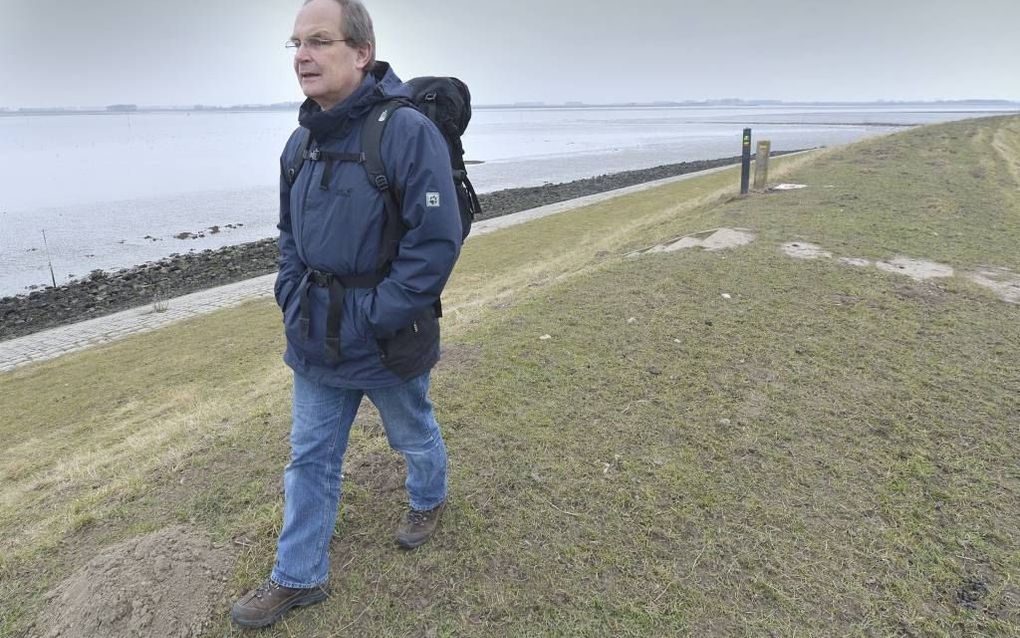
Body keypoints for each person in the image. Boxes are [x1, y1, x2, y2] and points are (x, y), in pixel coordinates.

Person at [231, 0, 462, 628]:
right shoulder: (300, 142)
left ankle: (429, 498)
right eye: (295, 44)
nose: (302, 55)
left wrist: (375, 316)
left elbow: (435, 240)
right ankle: (297, 576)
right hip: (315, 332)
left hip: (386, 336)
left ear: (360, 53)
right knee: (309, 457)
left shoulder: (408, 132)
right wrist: (289, 291)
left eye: (318, 41)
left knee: (411, 433)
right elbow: (287, 233)